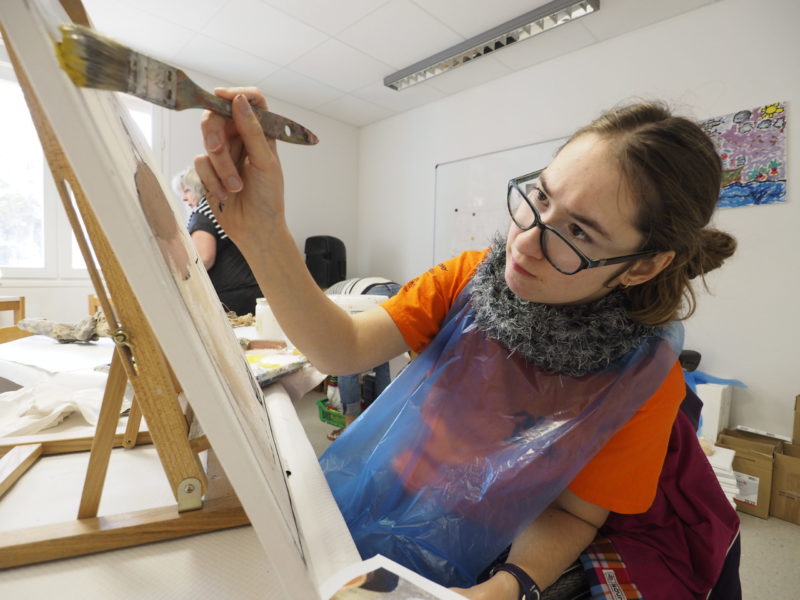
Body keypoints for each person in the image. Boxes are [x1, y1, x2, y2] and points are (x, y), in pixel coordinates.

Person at [195, 90, 740, 599]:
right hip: (388, 490)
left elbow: (574, 515)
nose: (526, 241)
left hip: (496, 544)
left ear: (642, 265)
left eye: (579, 233)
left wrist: (503, 588)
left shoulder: (640, 380)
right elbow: (343, 348)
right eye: (541, 198)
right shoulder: (469, 281)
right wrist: (263, 233)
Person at [175, 165, 263, 316]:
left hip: (231, 297)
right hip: (252, 289)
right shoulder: (226, 208)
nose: (183, 198)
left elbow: (204, 259)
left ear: (199, 187)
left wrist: (179, 277)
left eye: (187, 190)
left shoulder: (203, 213)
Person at [323, 277, 403, 441]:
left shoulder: (324, 301)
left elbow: (331, 339)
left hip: (370, 297)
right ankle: (383, 424)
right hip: (399, 291)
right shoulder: (338, 289)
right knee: (383, 357)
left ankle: (350, 429)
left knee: (348, 362)